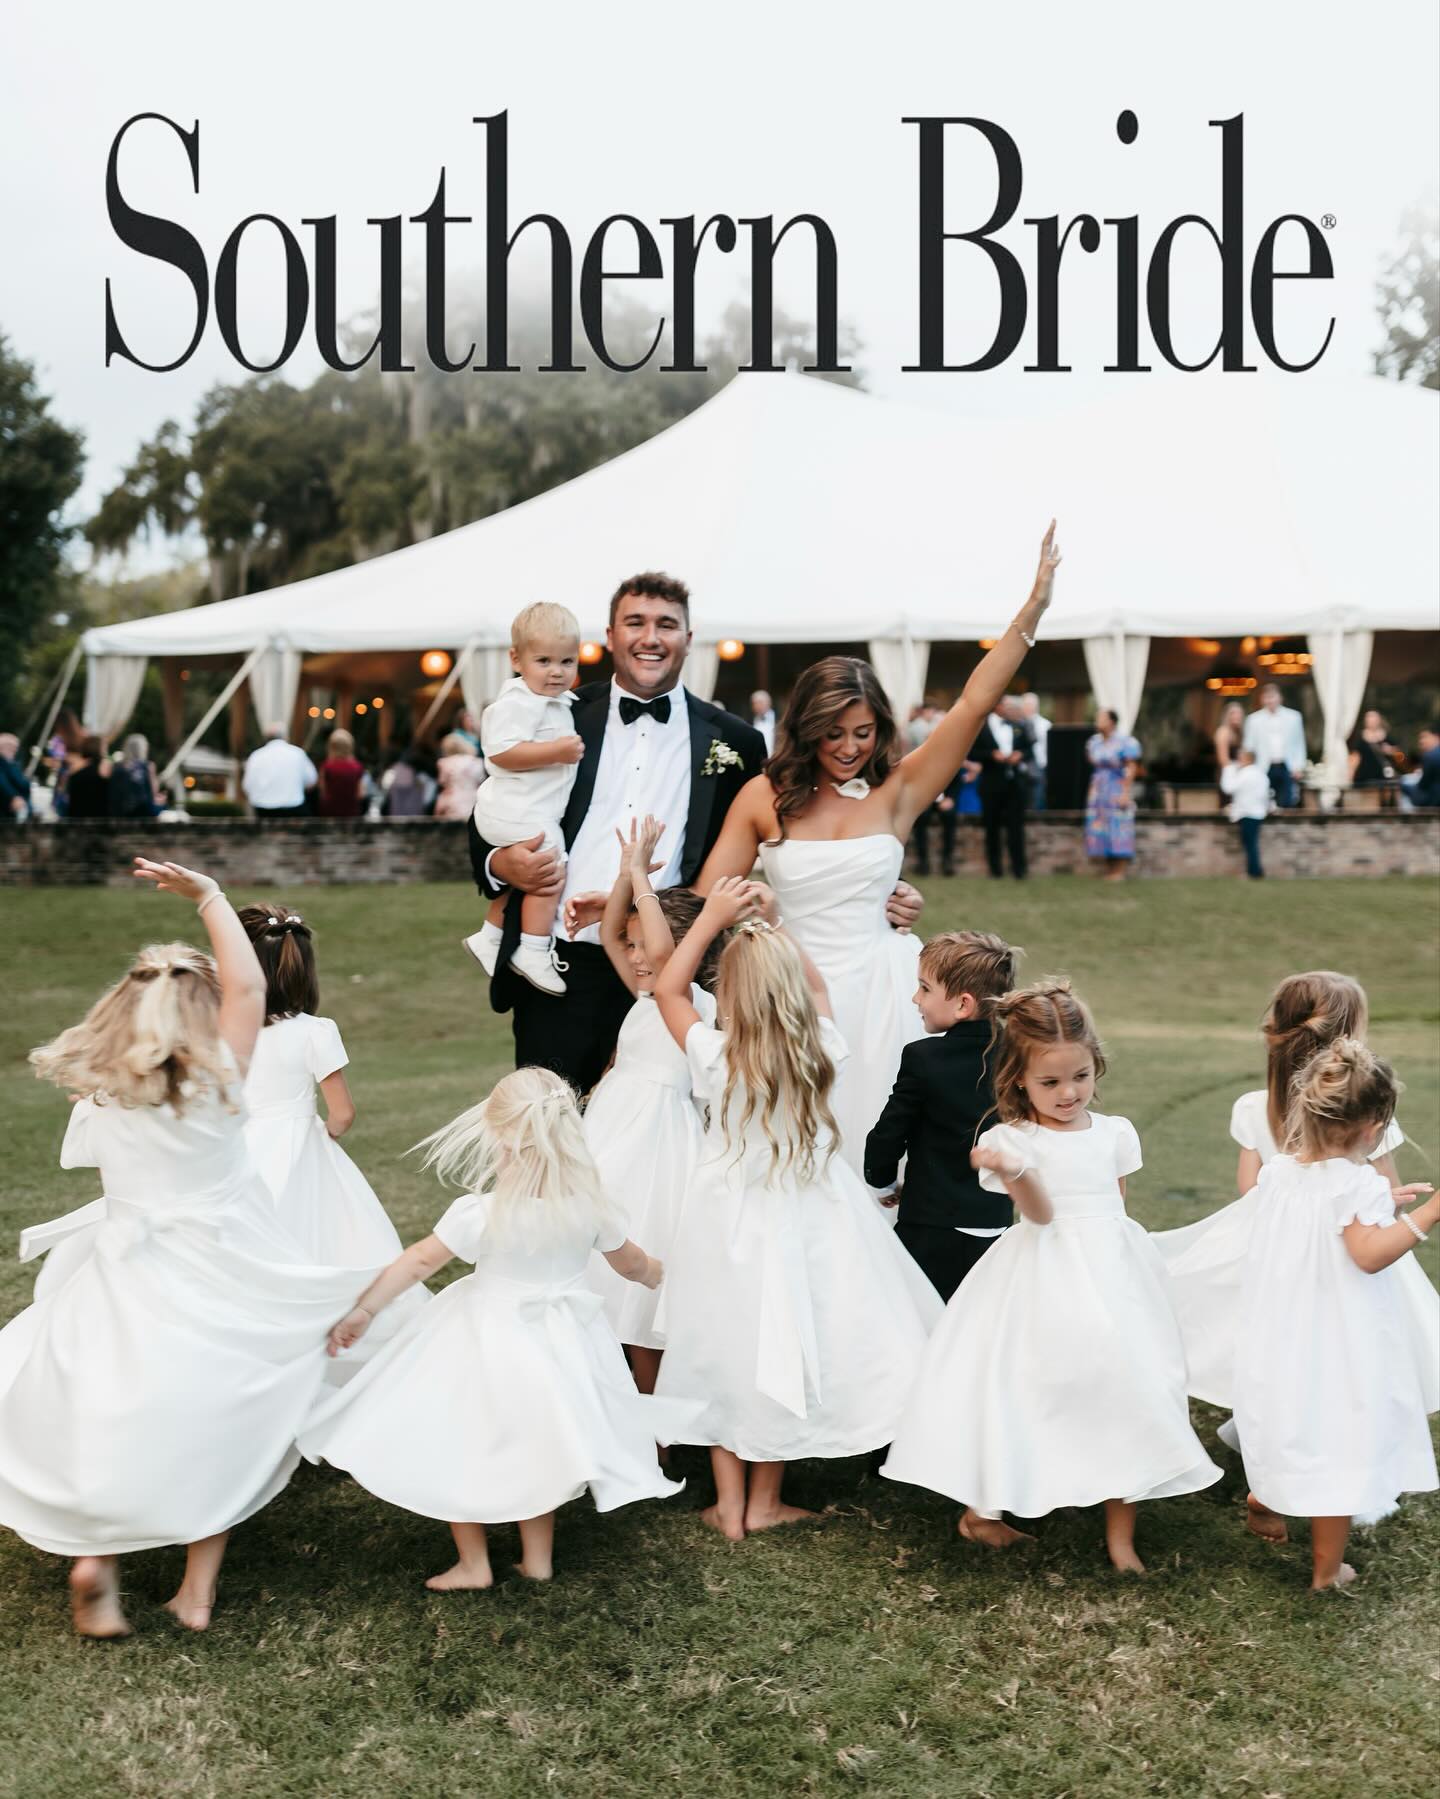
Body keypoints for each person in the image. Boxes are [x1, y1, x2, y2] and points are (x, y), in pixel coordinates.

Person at [0, 856, 375, 1638]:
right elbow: (250, 991)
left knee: (105, 1401)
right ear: (203, 1021)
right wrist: (210, 896)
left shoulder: (103, 1097)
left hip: (121, 1272)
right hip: (215, 1269)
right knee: (223, 1415)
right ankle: (195, 1590)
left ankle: (96, 1562)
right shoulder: (221, 1086)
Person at [696, 524, 1060, 1172]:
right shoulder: (763, 796)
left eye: (862, 732)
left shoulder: (898, 790)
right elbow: (705, 901)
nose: (848, 747)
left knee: (882, 1147)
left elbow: (975, 704)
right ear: (806, 728)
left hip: (885, 993)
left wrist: (1031, 613)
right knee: (795, 1152)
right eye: (832, 732)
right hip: (791, 992)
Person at [301, 1068, 697, 1589]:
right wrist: (671, 1280)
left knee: (460, 1438)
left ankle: (474, 1563)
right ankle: (537, 1560)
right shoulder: (591, 1209)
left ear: (500, 1135)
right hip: (563, 1343)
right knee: (538, 1443)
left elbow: (420, 1262)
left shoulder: (483, 1213)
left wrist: (365, 1310)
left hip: (483, 1338)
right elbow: (634, 1265)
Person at [882, 980, 1221, 1571]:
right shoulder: (1012, 1140)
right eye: (1051, 1082)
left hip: (1113, 1271)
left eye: (1081, 1077)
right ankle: (983, 1511)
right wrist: (1017, 1171)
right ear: (1017, 1079)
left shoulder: (1115, 1132)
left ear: (1096, 1067)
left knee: (1130, 1386)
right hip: (1043, 1273)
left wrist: (1124, 1269)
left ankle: (1121, 1534)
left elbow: (1113, 1206)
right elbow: (1040, 1215)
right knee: (1022, 1386)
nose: (1069, 1093)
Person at [652, 879, 942, 1539]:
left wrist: (716, 921)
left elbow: (669, 989)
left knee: (725, 1345)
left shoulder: (715, 1054)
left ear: (725, 991)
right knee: (789, 1340)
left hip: (724, 1220)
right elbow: (817, 993)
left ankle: (728, 1506)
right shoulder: (820, 1051)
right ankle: (765, 1501)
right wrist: (774, 924)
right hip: (810, 1215)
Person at [468, 572, 767, 1095]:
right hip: (561, 965)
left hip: (673, 967)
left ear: (688, 640)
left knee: (663, 1129)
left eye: (667, 625)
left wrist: (883, 887)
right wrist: (500, 865)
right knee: (553, 1126)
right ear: (610, 635)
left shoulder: (735, 741)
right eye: (636, 623)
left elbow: (771, 828)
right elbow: (494, 805)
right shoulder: (556, 713)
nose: (650, 637)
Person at [1151, 971, 1436, 1441]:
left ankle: (1258, 1425)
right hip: (1350, 1249)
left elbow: (1251, 1187)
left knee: (1277, 1336)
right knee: (1346, 1344)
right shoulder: (1371, 1116)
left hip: (1274, 1245)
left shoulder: (1251, 1106)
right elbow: (1385, 1191)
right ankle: (1342, 1442)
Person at [1233, 1039, 1439, 1590]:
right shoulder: (1358, 1184)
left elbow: (1313, 1220)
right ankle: (1328, 1572)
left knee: (1291, 1421)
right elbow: (1368, 1256)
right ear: (1373, 1129)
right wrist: (1429, 1212)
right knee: (1339, 1442)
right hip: (1339, 1335)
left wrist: (1385, 1200)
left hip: (1282, 1328)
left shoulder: (1278, 1175)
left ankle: (1263, 1494)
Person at [585, 817, 716, 1397]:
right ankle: (605, 1396)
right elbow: (612, 935)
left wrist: (641, 875)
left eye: (648, 947)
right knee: (596, 1266)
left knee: (643, 1291)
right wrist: (622, 877)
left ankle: (656, 1419)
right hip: (611, 1133)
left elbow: (662, 953)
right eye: (635, 947)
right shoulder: (645, 992)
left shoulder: (686, 999)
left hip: (658, 1148)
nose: (637, 957)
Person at [239, 903, 406, 1266]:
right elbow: (343, 1113)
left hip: (237, 1145)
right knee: (326, 1233)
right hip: (301, 1147)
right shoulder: (316, 1031)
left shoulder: (225, 1030)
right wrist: (325, 1136)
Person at [864, 931, 1020, 1301]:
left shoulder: (923, 1057)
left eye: (924, 988)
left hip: (930, 1229)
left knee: (917, 1319)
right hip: (996, 1227)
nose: (916, 998)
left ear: (963, 1004)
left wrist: (884, 1182)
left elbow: (888, 1136)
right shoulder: (1019, 1056)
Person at [463, 603, 585, 996]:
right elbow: (499, 753)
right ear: (516, 659)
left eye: (567, 661)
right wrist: (556, 752)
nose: (556, 671)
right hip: (516, 809)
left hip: (527, 809)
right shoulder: (517, 703)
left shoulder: (559, 702)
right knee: (550, 869)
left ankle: (491, 937)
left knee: (529, 876)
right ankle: (532, 950)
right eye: (544, 660)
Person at [971, 694, 1036, 880]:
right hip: (991, 782)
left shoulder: (1018, 725)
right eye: (1004, 704)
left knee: (1016, 827)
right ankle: (995, 869)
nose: (1007, 708)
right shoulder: (981, 727)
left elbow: (1030, 749)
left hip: (1015, 782)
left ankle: (1019, 869)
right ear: (995, 705)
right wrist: (991, 755)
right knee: (992, 826)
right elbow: (972, 753)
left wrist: (1020, 755)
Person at [1084, 709, 1141, 881]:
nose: (1097, 721)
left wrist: (1125, 792)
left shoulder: (1125, 742)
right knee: (1101, 828)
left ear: (1112, 721)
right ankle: (1108, 870)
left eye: (1101, 718)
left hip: (1117, 788)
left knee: (1119, 827)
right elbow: (1093, 764)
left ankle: (1119, 871)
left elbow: (1132, 767)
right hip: (1098, 790)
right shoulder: (1093, 742)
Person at [1241, 684, 1306, 809]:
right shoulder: (1253, 720)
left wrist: (1299, 766)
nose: (1270, 700)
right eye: (1267, 697)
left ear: (1280, 698)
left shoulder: (1294, 717)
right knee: (1262, 801)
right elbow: (1249, 747)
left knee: (1287, 801)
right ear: (1262, 699)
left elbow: (1299, 744)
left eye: (1273, 696)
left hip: (1286, 765)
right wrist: (1249, 768)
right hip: (1263, 766)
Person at [244, 724, 317, 818]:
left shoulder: (256, 756)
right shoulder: (297, 753)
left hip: (263, 809)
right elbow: (312, 781)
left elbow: (247, 786)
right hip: (293, 808)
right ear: (285, 737)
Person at [1221, 748, 1271, 878]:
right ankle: (1254, 871)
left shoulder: (1245, 774)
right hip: (1258, 813)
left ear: (1247, 758)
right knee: (1251, 843)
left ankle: (1254, 872)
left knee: (1250, 844)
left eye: (1240, 757)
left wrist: (1228, 769)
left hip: (1248, 813)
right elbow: (1265, 796)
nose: (1238, 760)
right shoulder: (1261, 774)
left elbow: (1228, 787)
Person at [105, 733, 164, 819]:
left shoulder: (116, 767)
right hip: (144, 812)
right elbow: (153, 792)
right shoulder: (147, 766)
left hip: (120, 813)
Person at [1348, 709, 1403, 797]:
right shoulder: (1359, 738)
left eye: (1374, 718)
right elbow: (1354, 759)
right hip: (1364, 780)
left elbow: (1400, 757)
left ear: (1379, 720)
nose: (1371, 721)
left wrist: (1391, 751)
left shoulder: (1387, 737)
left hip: (1384, 779)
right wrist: (1350, 777)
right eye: (1369, 718)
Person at [434, 731, 487, 821]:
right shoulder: (477, 762)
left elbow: (443, 783)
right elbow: (480, 782)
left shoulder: (445, 763)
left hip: (454, 799)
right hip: (474, 799)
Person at [316, 729, 366, 818]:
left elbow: (322, 792)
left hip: (330, 812)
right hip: (351, 812)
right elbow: (360, 794)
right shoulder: (357, 767)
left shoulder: (327, 766)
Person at [63, 734, 110, 818]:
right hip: (99, 819)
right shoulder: (104, 767)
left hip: (77, 819)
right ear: (100, 748)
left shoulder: (75, 770)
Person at [1021, 692, 1050, 809]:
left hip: (1040, 767)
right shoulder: (1017, 724)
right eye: (1025, 705)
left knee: (1037, 798)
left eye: (1030, 705)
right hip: (1021, 767)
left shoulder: (1045, 725)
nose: (1027, 708)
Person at [0, 731, 32, 820]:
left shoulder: (12, 764)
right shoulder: (4, 763)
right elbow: (2, 782)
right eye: (10, 747)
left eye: (15, 747)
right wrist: (12, 797)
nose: (14, 750)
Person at [1407, 725, 1440, 807]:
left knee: (1405, 785)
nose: (1421, 741)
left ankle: (1407, 817)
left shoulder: (1430, 756)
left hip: (1434, 799)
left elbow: (1423, 785)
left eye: (1425, 737)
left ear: (1436, 737)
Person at [1212, 700, 1247, 779]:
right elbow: (1223, 760)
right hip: (1227, 774)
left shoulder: (1239, 732)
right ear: (1227, 716)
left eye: (1239, 713)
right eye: (1233, 713)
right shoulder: (1223, 732)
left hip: (1238, 773)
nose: (1236, 716)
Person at [750, 689, 777, 757]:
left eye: (760, 702)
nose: (758, 706)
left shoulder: (780, 719)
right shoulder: (749, 721)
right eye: (755, 703)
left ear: (769, 702)